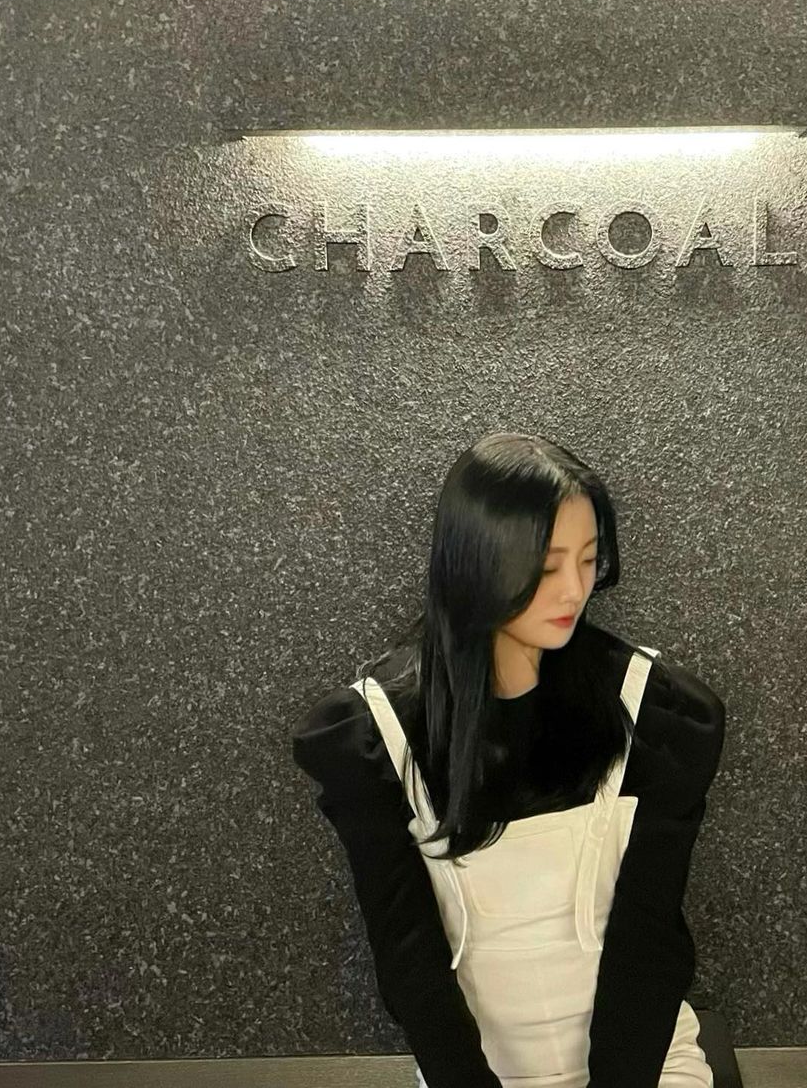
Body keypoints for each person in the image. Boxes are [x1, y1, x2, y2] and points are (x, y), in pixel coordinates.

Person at [291, 432, 726, 1087]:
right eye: (547, 567)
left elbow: (649, 942)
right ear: (473, 562)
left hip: (643, 1065)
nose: (574, 590)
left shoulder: (653, 710)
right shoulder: (374, 734)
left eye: (588, 560)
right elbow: (410, 960)